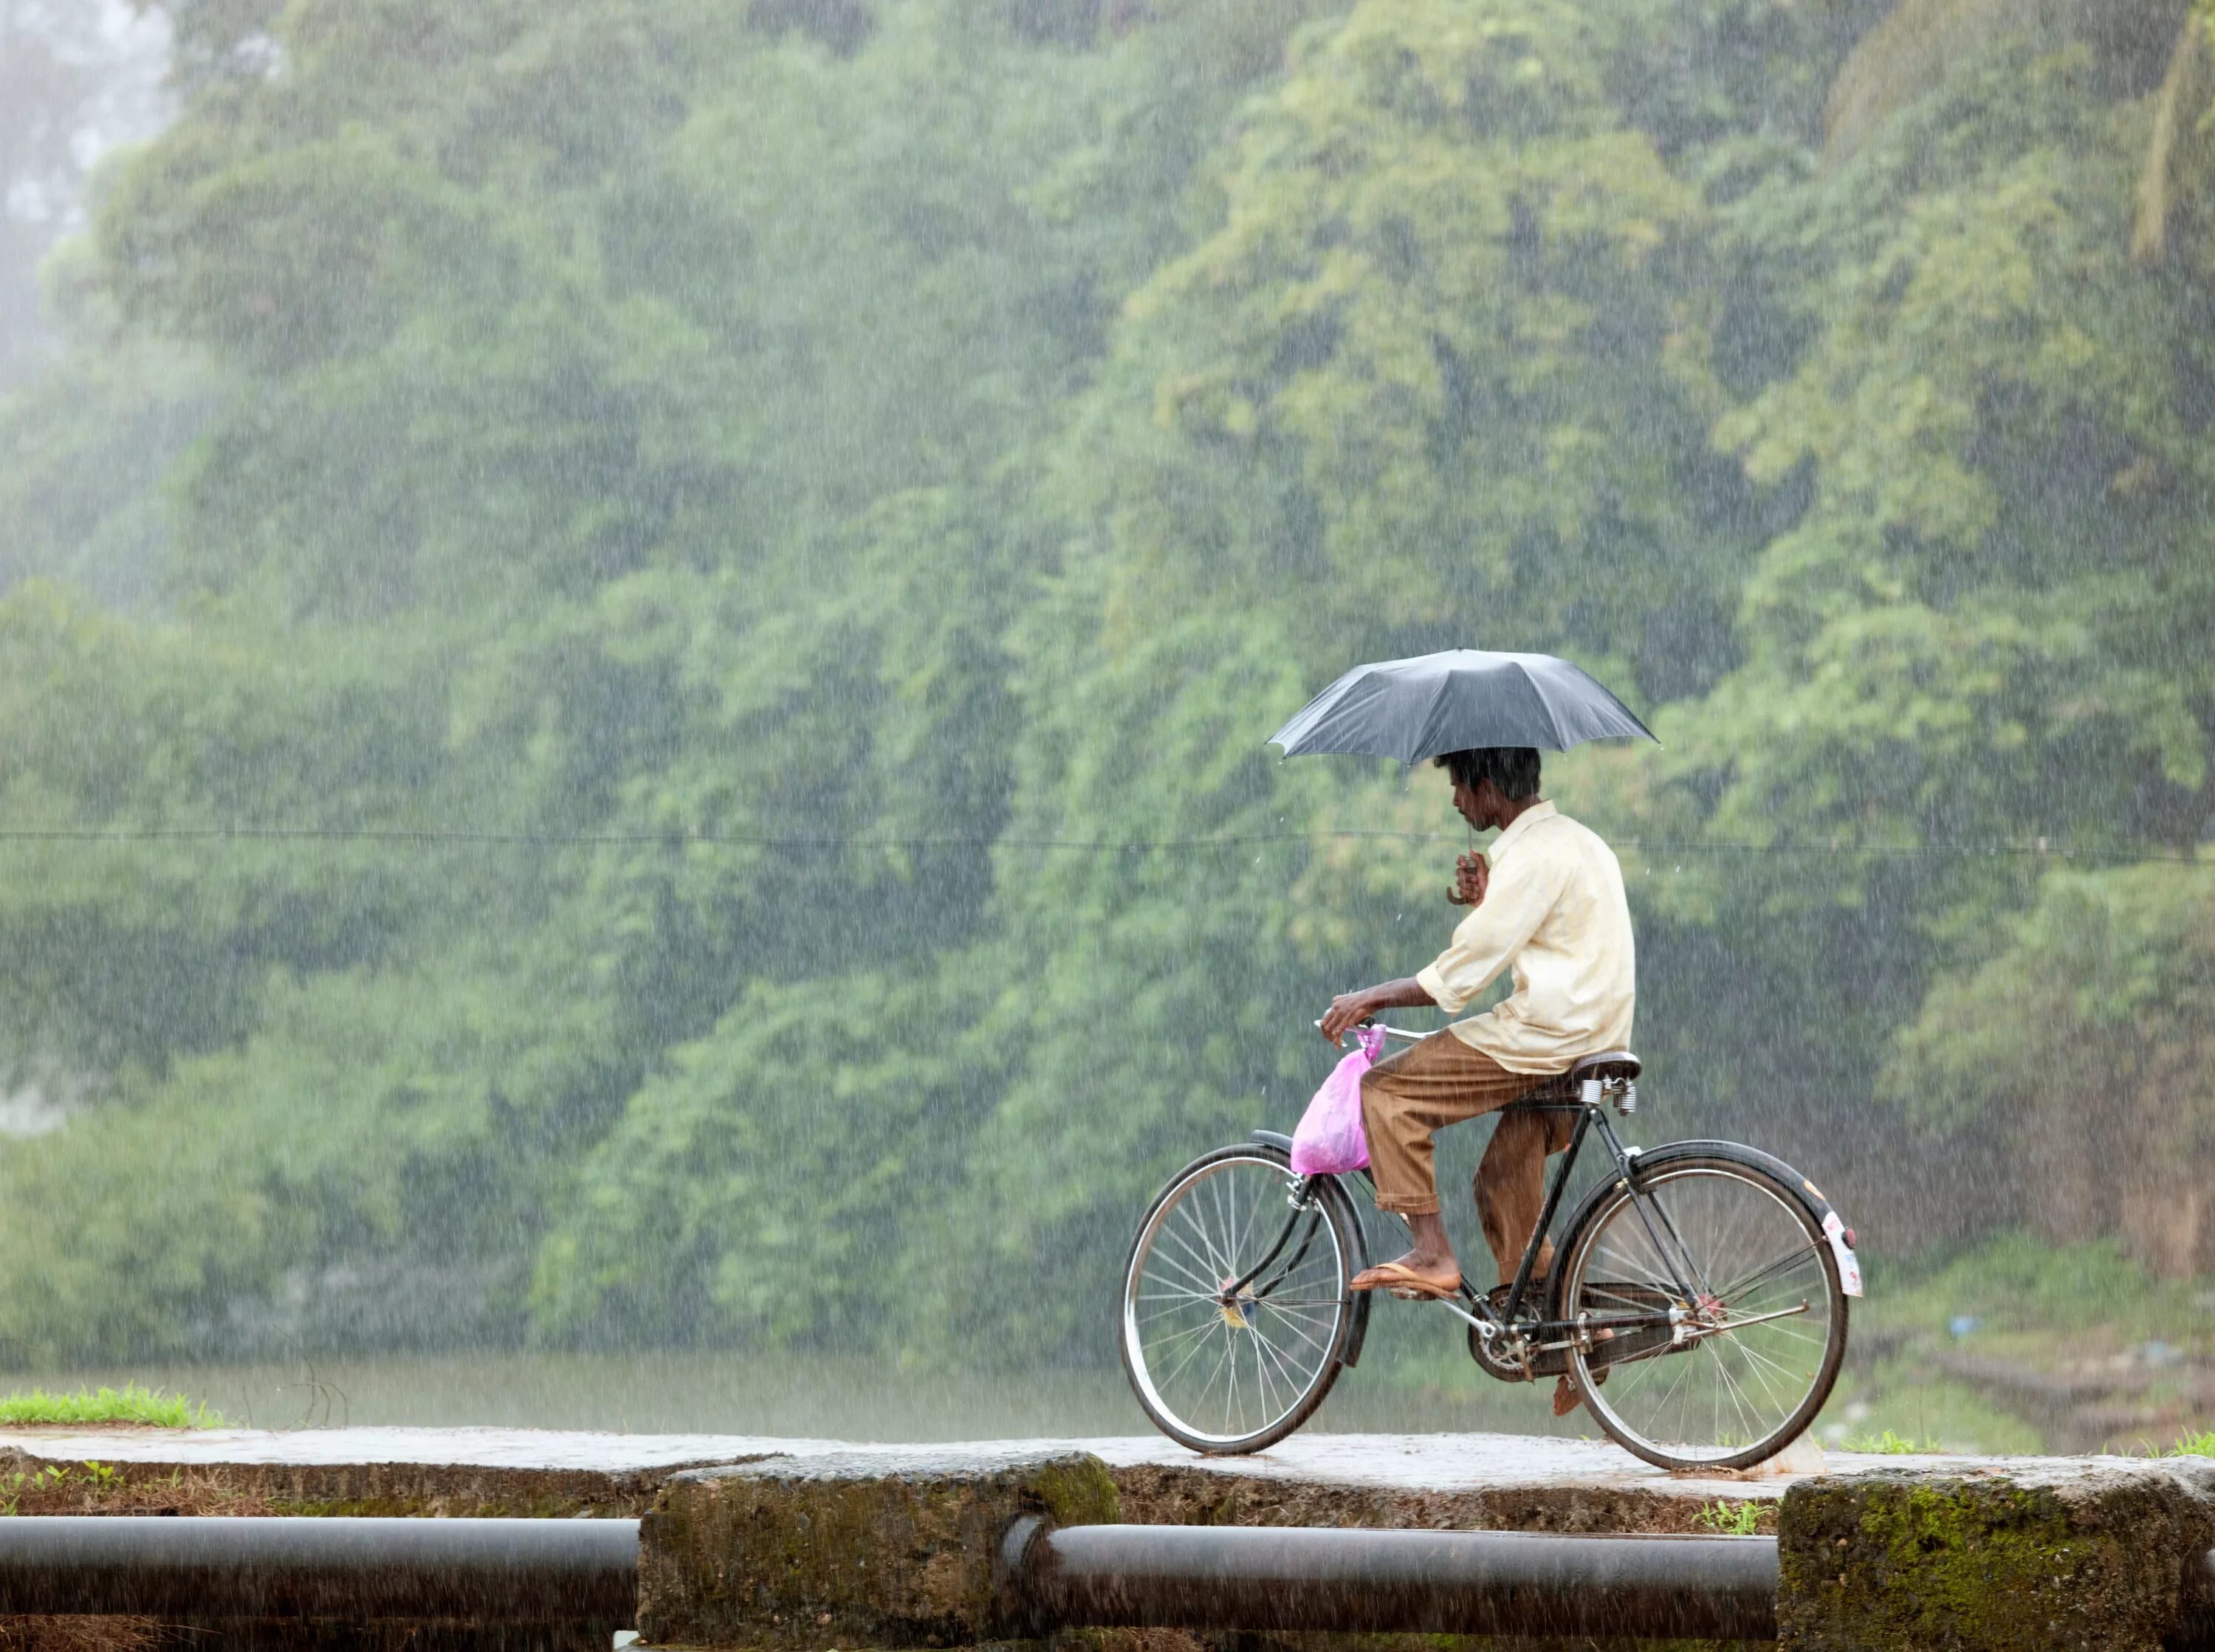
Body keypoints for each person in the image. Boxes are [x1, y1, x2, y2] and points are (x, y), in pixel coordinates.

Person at [1317, 745, 1634, 1417]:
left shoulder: (1533, 856)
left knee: (1389, 1093)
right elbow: (1543, 937)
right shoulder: (1576, 842)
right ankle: (1579, 1328)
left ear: (1489, 789)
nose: (1457, 803)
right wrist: (1488, 900)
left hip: (1546, 1036)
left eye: (1461, 789)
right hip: (1595, 1038)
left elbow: (1460, 977)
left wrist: (1368, 998)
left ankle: (1432, 1253)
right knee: (1499, 1179)